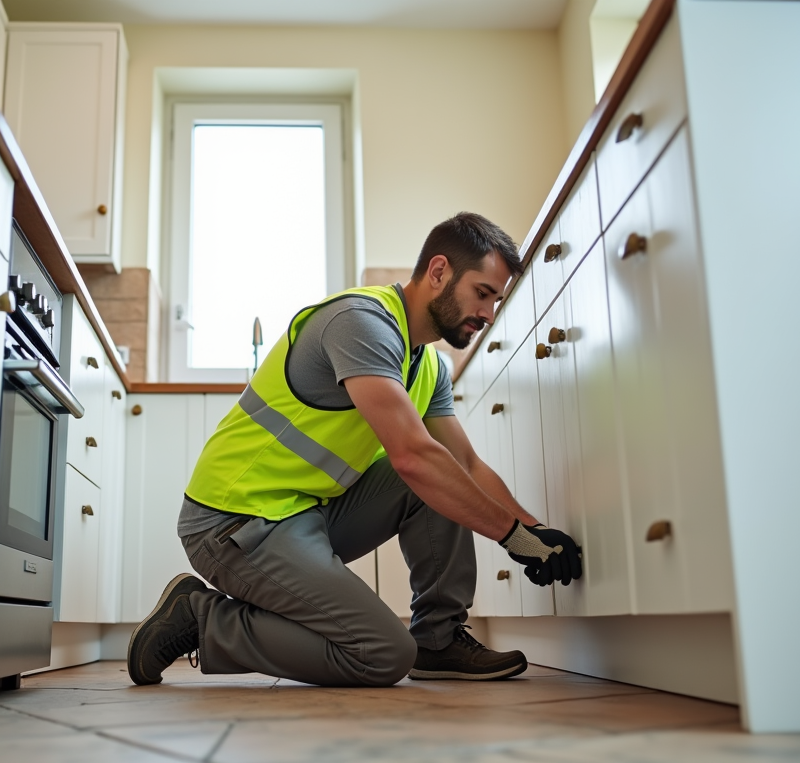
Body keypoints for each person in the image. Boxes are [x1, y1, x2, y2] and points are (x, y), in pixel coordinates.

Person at [127, 212, 583, 688]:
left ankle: (439, 640)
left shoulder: (428, 366)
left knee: (440, 474)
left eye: (496, 300)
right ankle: (200, 619)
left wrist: (535, 531)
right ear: (439, 272)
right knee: (381, 653)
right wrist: (514, 538)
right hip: (234, 521)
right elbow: (411, 457)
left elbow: (464, 465)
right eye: (483, 294)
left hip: (305, 513)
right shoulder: (361, 323)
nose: (489, 314)